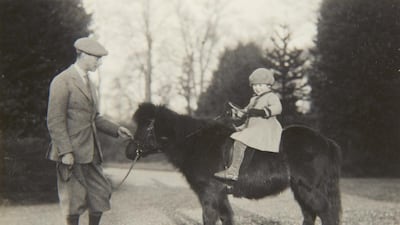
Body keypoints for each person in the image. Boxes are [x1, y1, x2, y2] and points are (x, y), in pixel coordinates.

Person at [46, 37, 133, 225]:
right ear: (83, 55)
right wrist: (65, 151)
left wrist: (117, 130)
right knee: (73, 200)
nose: (99, 63)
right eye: (96, 58)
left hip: (91, 152)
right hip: (71, 152)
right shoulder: (62, 81)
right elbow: (55, 120)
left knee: (101, 193)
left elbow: (95, 117)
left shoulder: (90, 84)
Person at [214, 68, 283, 181]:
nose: (257, 88)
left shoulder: (271, 97)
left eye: (261, 85)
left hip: (265, 128)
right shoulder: (253, 99)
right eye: (255, 85)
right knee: (231, 136)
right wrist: (235, 113)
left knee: (240, 142)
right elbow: (245, 112)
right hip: (252, 127)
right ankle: (231, 166)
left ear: (269, 85)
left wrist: (262, 111)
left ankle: (233, 171)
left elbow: (278, 108)